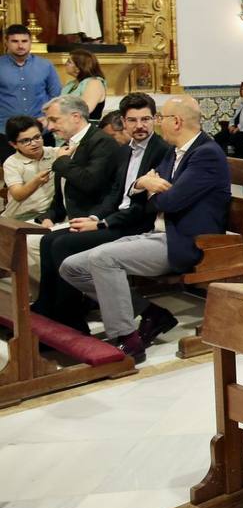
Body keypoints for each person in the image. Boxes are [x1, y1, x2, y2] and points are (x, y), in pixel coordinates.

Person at [58, 96, 230, 362]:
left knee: (103, 258)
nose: (158, 123)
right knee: (71, 266)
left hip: (185, 240)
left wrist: (151, 188)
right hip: (157, 233)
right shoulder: (175, 151)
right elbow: (140, 189)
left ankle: (128, 339)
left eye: (160, 118)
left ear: (177, 121)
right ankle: (151, 313)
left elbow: (170, 202)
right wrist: (146, 184)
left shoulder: (206, 153)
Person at [32, 93, 172, 333]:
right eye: (132, 120)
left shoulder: (163, 151)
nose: (139, 126)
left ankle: (71, 320)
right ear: (124, 122)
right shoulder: (125, 150)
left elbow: (143, 207)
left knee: (63, 245)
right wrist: (95, 217)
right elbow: (115, 194)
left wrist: (103, 224)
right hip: (119, 219)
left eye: (145, 119)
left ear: (155, 119)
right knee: (49, 239)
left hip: (140, 224)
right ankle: (48, 309)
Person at [40, 94, 121, 225]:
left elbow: (90, 183)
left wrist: (63, 160)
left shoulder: (102, 142)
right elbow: (62, 197)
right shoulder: (66, 146)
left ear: (76, 117)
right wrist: (49, 217)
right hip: (64, 219)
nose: (49, 127)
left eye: (54, 120)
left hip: (89, 220)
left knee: (28, 242)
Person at [0, 24, 61, 159]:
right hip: (6, 132)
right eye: (15, 41)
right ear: (6, 42)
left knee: (47, 172)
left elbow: (56, 96)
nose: (20, 46)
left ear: (30, 42)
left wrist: (48, 118)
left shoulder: (45, 65)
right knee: (10, 174)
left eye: (24, 41)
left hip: (41, 131)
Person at [3, 116, 58, 221]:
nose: (34, 143)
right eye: (25, 141)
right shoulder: (12, 163)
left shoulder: (55, 153)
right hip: (19, 218)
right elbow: (18, 195)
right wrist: (36, 181)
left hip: (48, 215)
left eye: (37, 137)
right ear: (14, 144)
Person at [59, 49, 107, 121]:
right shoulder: (71, 84)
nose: (65, 64)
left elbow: (85, 109)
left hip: (86, 126)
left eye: (69, 62)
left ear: (79, 67)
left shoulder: (94, 83)